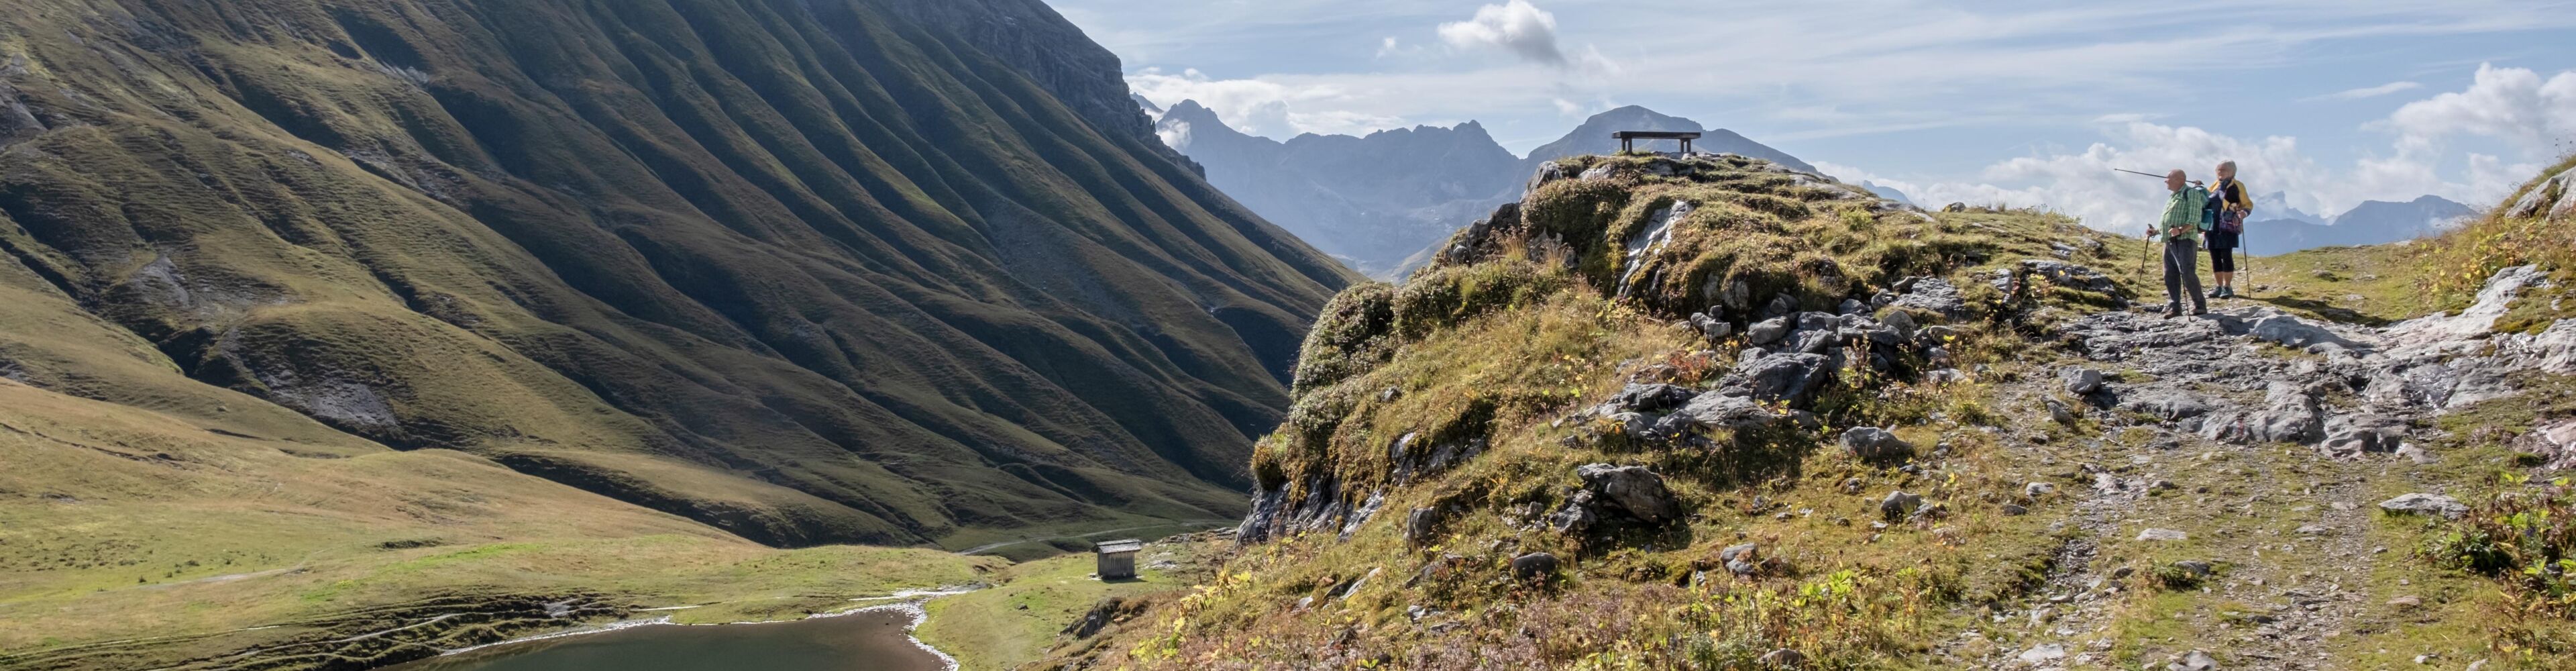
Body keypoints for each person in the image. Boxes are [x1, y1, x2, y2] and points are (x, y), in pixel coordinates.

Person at [2148, 169, 2211, 317]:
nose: (2165, 180)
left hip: (2185, 240)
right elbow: (2169, 221)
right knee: (2170, 274)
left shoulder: (2191, 194)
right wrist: (2156, 232)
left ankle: (2199, 305)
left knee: (2187, 272)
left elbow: (2194, 218)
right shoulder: (2173, 196)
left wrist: (2181, 230)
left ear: (2178, 179)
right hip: (2169, 241)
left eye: (2168, 178)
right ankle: (2174, 307)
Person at [2203, 160, 2252, 299]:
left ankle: (2227, 287)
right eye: (2218, 170)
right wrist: (2199, 187)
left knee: (2226, 256)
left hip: (2228, 226)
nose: (2220, 172)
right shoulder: (2214, 185)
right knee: (2215, 257)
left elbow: (2247, 204)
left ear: (2232, 172)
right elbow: (2205, 198)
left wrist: (2244, 213)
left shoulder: (2238, 186)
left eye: (2223, 170)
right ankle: (2218, 287)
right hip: (2212, 226)